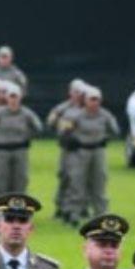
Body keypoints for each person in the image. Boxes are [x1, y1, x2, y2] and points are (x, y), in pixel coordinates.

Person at [56, 85, 120, 224]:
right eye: (91, 99)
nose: (94, 102)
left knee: (99, 181)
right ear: (85, 100)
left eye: (96, 99)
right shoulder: (75, 115)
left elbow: (115, 130)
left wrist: (105, 137)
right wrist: (70, 139)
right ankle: (73, 212)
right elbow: (62, 131)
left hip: (98, 151)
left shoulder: (105, 115)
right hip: (80, 151)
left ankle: (101, 213)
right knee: (77, 182)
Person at [48, 80, 87, 224]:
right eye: (76, 92)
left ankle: (80, 207)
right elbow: (51, 122)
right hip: (68, 148)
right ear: (70, 92)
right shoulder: (62, 109)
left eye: (81, 92)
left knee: (83, 179)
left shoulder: (88, 108)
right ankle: (61, 206)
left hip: (84, 148)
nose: (79, 95)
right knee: (65, 176)